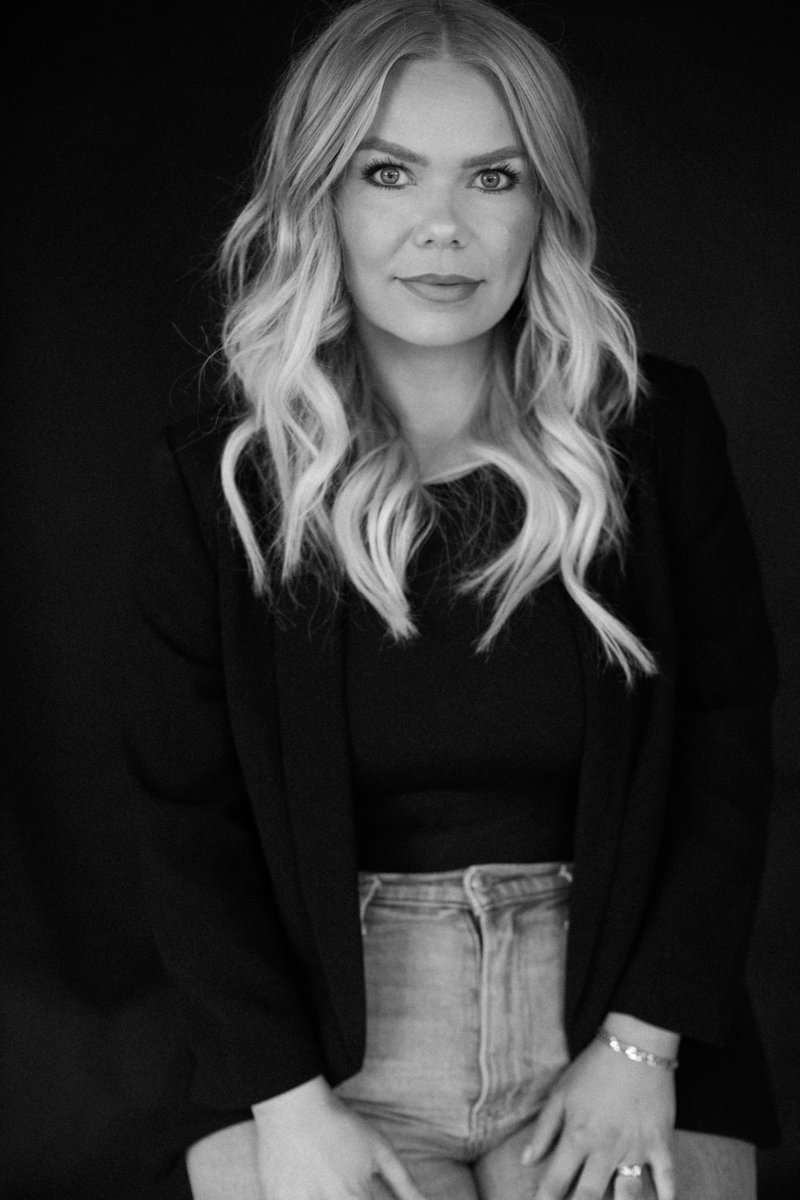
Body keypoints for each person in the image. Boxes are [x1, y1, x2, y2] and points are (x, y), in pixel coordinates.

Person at [125, 1, 779, 1197]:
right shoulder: (220, 478)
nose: (442, 228)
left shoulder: (651, 435)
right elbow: (183, 821)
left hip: (614, 1022)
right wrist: (288, 1106)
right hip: (318, 1049)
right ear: (319, 198)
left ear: (544, 208)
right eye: (387, 173)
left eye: (493, 176)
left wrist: (644, 1041)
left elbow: (723, 752)